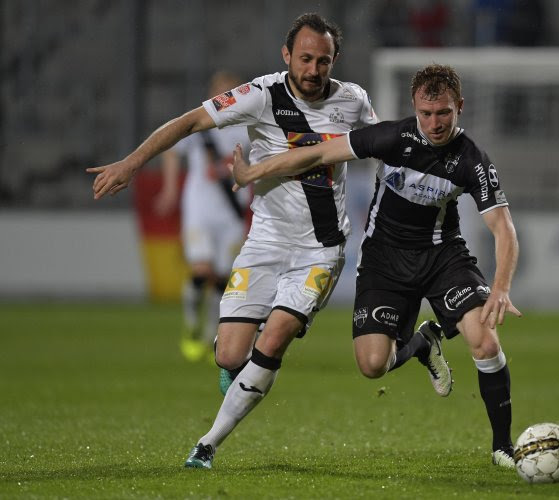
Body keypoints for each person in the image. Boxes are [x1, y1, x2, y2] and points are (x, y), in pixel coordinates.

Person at [88, 13, 448, 470]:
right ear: (286, 56)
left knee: (275, 338)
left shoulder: (353, 99)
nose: (314, 70)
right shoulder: (259, 96)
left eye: (324, 60)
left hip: (321, 249)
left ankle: (208, 444)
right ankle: (244, 358)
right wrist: (132, 163)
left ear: (334, 60)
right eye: (305, 59)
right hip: (265, 241)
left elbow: (382, 148)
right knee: (230, 354)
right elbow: (188, 122)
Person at [229, 64, 522, 467]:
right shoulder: (390, 137)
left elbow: (504, 229)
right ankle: (422, 343)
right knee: (372, 365)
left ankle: (503, 447)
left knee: (485, 341)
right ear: (414, 108)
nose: (434, 123)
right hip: (383, 261)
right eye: (426, 113)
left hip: (443, 257)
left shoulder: (473, 161)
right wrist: (253, 172)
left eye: (443, 114)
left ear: (460, 108)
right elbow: (316, 153)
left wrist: (502, 287)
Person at [153, 71, 251, 363]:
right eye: (221, 92)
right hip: (199, 209)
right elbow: (169, 149)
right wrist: (170, 189)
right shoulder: (199, 123)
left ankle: (213, 336)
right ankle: (192, 327)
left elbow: (261, 161)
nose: (226, 98)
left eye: (232, 92)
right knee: (201, 271)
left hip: (232, 211)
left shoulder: (246, 128)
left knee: (223, 278)